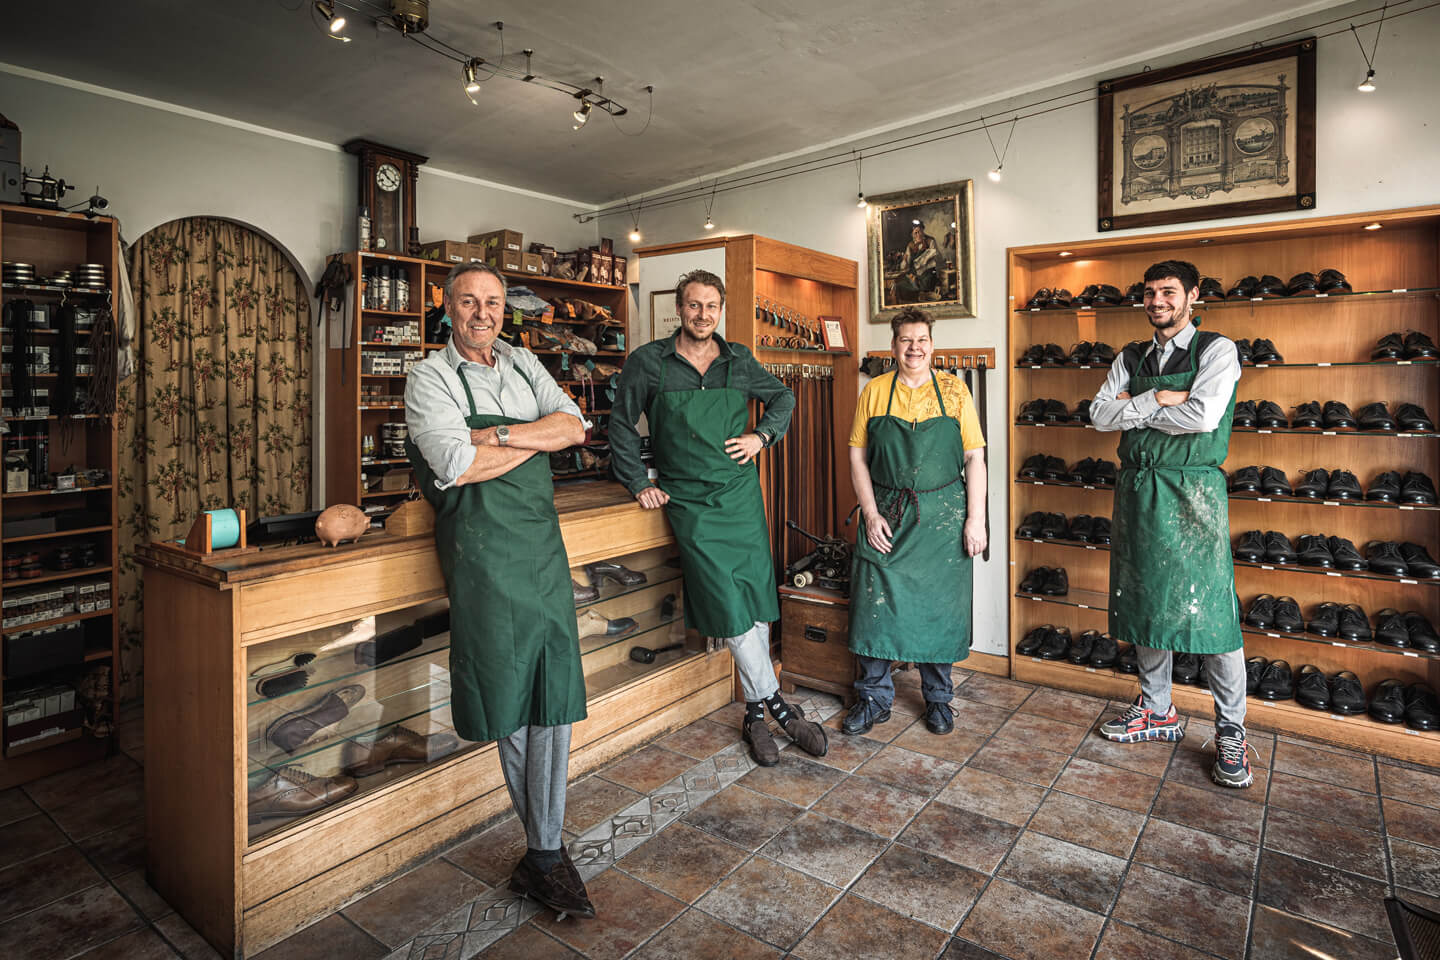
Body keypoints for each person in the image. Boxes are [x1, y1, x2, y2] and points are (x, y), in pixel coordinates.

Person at [404, 262, 595, 918]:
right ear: (448, 306)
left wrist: (499, 436)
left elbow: (575, 429)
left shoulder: (521, 362)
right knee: (509, 699)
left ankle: (543, 852)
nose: (482, 313)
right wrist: (529, 443)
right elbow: (454, 465)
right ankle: (545, 853)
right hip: (482, 557)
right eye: (469, 302)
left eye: (492, 302)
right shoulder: (428, 377)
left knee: (554, 694)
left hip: (542, 550)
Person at [610, 269, 829, 766]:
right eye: (693, 305)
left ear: (720, 309)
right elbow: (620, 426)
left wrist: (762, 437)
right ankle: (779, 708)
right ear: (679, 309)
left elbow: (783, 398)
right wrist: (639, 482)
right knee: (726, 601)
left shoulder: (739, 360)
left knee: (750, 599)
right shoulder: (648, 363)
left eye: (711, 306)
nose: (702, 314)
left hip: (739, 497)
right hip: (689, 503)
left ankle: (755, 716)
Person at [1090, 259, 1253, 788]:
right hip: (1137, 488)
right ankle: (1158, 710)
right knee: (1145, 602)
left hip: (1192, 492)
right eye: (1150, 293)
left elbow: (1203, 417)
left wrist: (1133, 406)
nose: (1158, 301)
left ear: (1192, 296)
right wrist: (1160, 396)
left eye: (1169, 292)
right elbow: (1097, 415)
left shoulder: (1218, 351)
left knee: (1213, 615)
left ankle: (1232, 730)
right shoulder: (1131, 355)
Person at [843, 305, 988, 735]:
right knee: (873, 608)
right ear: (893, 345)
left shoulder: (955, 391)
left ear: (932, 344)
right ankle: (873, 698)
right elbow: (857, 456)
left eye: (922, 339)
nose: (914, 347)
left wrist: (974, 521)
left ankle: (940, 700)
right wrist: (870, 513)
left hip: (943, 518)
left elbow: (974, 458)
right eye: (906, 340)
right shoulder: (874, 391)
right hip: (886, 512)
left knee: (940, 610)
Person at [890, 223, 943, 303]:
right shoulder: (910, 245)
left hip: (927, 274)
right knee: (899, 286)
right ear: (912, 235)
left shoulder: (930, 241)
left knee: (923, 288)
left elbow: (937, 259)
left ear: (923, 231)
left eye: (920, 231)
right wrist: (904, 259)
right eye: (916, 233)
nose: (918, 234)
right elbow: (904, 267)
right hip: (914, 275)